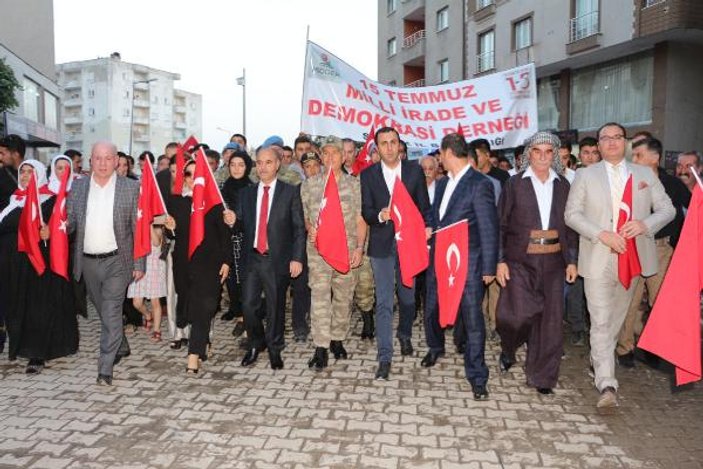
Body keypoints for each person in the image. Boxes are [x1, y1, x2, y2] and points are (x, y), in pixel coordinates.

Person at [565, 122, 675, 408]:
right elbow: (572, 215)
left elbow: (667, 209)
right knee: (600, 320)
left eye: (617, 137)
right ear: (598, 145)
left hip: (633, 258)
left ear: (625, 143)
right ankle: (607, 384)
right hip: (599, 255)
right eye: (606, 138)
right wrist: (601, 234)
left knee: (614, 320)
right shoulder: (585, 175)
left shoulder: (643, 174)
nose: (612, 142)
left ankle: (598, 361)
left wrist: (644, 224)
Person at [495, 132, 578, 395]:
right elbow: (501, 226)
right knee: (515, 316)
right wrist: (500, 261)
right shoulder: (515, 185)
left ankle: (543, 377)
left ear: (554, 155)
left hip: (554, 262)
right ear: (528, 154)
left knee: (550, 322)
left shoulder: (563, 185)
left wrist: (572, 261)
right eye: (537, 151)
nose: (542, 156)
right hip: (520, 261)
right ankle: (509, 347)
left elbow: (570, 229)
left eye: (548, 151)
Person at [421, 133, 498, 400]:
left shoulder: (479, 184)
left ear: (449, 153)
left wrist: (489, 267)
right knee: (431, 307)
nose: (439, 160)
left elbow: (489, 227)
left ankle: (477, 375)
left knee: (473, 320)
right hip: (439, 260)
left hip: (469, 264)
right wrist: (429, 224)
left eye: (440, 155)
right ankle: (435, 347)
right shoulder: (442, 184)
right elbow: (436, 214)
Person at [66, 141, 146, 386]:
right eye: (97, 158)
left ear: (116, 160)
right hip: (88, 261)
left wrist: (139, 263)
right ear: (91, 161)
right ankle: (120, 344)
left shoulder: (130, 188)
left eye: (107, 158)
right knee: (103, 310)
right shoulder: (77, 188)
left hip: (117, 261)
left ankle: (105, 368)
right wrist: (53, 230)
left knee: (111, 311)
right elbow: (69, 223)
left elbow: (138, 228)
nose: (102, 163)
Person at [360, 126, 430, 380]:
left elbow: (424, 207)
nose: (389, 147)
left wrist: (428, 226)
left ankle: (405, 334)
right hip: (381, 246)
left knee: (409, 300)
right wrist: (380, 215)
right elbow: (366, 211)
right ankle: (384, 356)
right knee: (384, 302)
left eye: (393, 142)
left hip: (409, 244)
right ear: (377, 148)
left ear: (400, 145)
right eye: (384, 143)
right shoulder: (368, 176)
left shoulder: (413, 171)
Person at [0, 158, 79, 373]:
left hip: (35, 265)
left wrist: (48, 232)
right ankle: (18, 347)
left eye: (30, 172)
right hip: (11, 264)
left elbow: (57, 230)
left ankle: (36, 354)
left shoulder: (48, 200)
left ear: (40, 175)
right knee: (16, 307)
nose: (25, 176)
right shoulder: (13, 199)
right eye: (23, 172)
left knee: (35, 309)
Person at [616, 137, 690, 368]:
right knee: (630, 301)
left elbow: (689, 213)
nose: (634, 160)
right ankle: (624, 348)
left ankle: (653, 348)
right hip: (635, 249)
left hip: (662, 250)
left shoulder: (673, 185)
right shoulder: (627, 181)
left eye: (639, 155)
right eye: (633, 156)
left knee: (661, 303)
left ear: (655, 158)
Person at [235, 146, 306, 369]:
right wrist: (231, 221)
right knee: (248, 305)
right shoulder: (246, 193)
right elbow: (239, 226)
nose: (263, 167)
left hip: (277, 259)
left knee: (276, 307)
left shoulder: (290, 191)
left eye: (268, 162)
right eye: (259, 162)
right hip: (252, 258)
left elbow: (298, 229)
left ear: (277, 165)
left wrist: (297, 258)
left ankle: (275, 348)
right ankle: (256, 343)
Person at [301, 136, 365, 370]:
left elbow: (360, 219)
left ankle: (337, 339)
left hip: (347, 250)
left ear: (343, 156)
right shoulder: (309, 184)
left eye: (334, 154)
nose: (329, 158)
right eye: (325, 154)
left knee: (343, 298)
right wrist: (310, 228)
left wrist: (359, 247)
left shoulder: (354, 184)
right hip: (318, 252)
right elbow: (307, 217)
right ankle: (320, 346)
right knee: (319, 298)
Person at [165, 159, 232, 373]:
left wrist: (226, 261)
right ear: (183, 178)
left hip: (210, 264)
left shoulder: (215, 203)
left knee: (204, 306)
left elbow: (225, 236)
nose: (193, 178)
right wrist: (171, 229)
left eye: (197, 174)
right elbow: (171, 234)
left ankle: (193, 355)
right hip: (184, 263)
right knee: (192, 310)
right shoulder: (176, 201)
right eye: (188, 174)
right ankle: (203, 343)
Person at [220, 150, 254, 337]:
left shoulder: (252, 189)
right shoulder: (223, 188)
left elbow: (254, 220)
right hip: (227, 243)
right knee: (231, 284)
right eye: (233, 164)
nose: (236, 168)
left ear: (247, 167)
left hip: (246, 243)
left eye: (241, 165)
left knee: (246, 285)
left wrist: (237, 223)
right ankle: (240, 316)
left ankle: (248, 321)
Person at [126, 224, 167, 342]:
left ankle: (157, 330)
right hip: (140, 265)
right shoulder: (137, 225)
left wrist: (148, 225)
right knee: (136, 303)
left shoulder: (158, 227)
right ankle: (148, 315)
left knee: (155, 301)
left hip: (154, 267)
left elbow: (156, 243)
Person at [0, 134, 25, 211]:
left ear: (15, 154)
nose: (0, 157)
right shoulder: (1, 174)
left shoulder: (36, 173)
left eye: (2, 153)